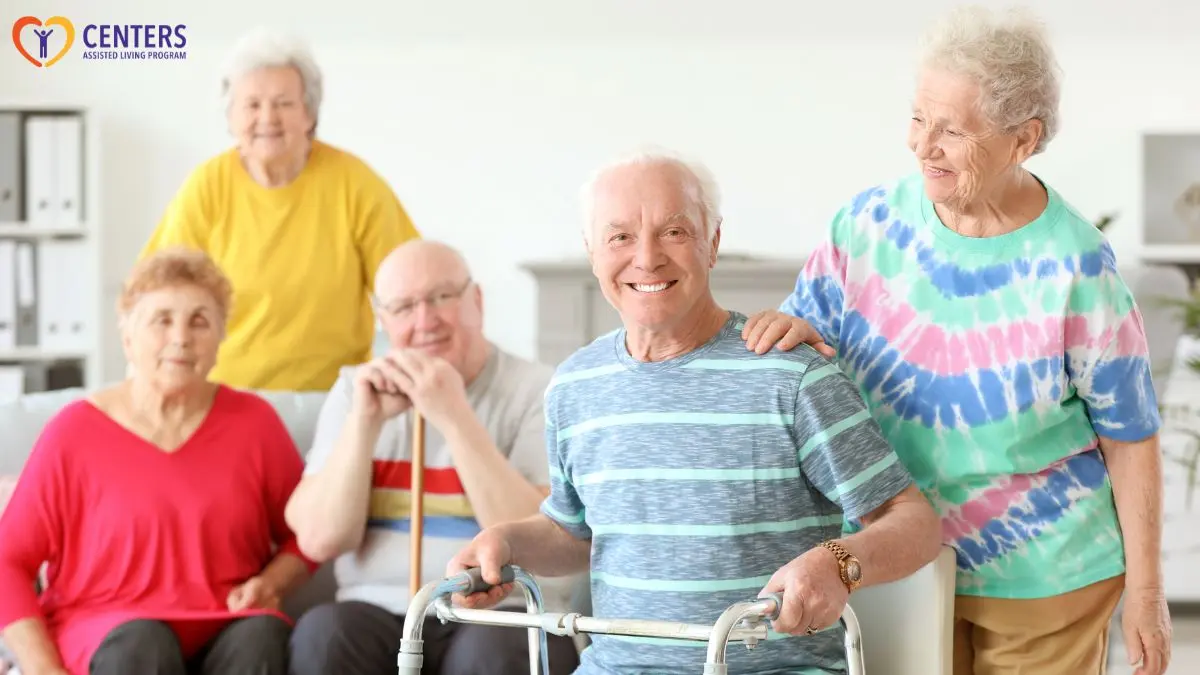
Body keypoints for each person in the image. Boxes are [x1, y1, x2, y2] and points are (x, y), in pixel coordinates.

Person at [742, 6, 1172, 675]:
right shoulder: (865, 228)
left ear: (1022, 140)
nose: (921, 145)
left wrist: (1147, 594)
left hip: (1045, 575)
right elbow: (809, 356)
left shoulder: (1078, 265)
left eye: (951, 130)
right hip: (894, 558)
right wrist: (797, 335)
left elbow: (1130, 435)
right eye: (918, 117)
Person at [447, 149, 943, 675]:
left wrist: (839, 565)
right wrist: (505, 541)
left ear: (713, 243)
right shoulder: (574, 384)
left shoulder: (791, 376)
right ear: (592, 252)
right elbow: (576, 534)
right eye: (620, 237)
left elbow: (915, 525)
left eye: (674, 232)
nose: (646, 258)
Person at [0, 247, 317, 675]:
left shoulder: (255, 424)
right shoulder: (74, 432)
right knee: (144, 642)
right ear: (127, 335)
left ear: (222, 338)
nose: (181, 337)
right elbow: (8, 561)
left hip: (224, 621)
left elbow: (310, 535)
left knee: (262, 635)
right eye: (162, 319)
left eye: (200, 321)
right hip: (107, 629)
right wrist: (43, 669)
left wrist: (272, 583)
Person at [283, 239, 581, 675]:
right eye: (403, 307)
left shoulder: (539, 389)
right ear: (383, 319)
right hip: (376, 610)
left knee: (492, 652)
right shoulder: (354, 391)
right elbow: (319, 540)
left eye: (442, 298)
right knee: (324, 634)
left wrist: (454, 415)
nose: (425, 321)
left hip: (504, 612)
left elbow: (539, 537)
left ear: (476, 302)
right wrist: (364, 424)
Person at [140, 28, 420, 392]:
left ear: (309, 114)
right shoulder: (206, 186)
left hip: (333, 399)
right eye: (252, 105)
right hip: (224, 397)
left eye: (284, 103)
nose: (268, 118)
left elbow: (409, 289)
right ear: (231, 117)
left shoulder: (355, 183)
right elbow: (157, 290)